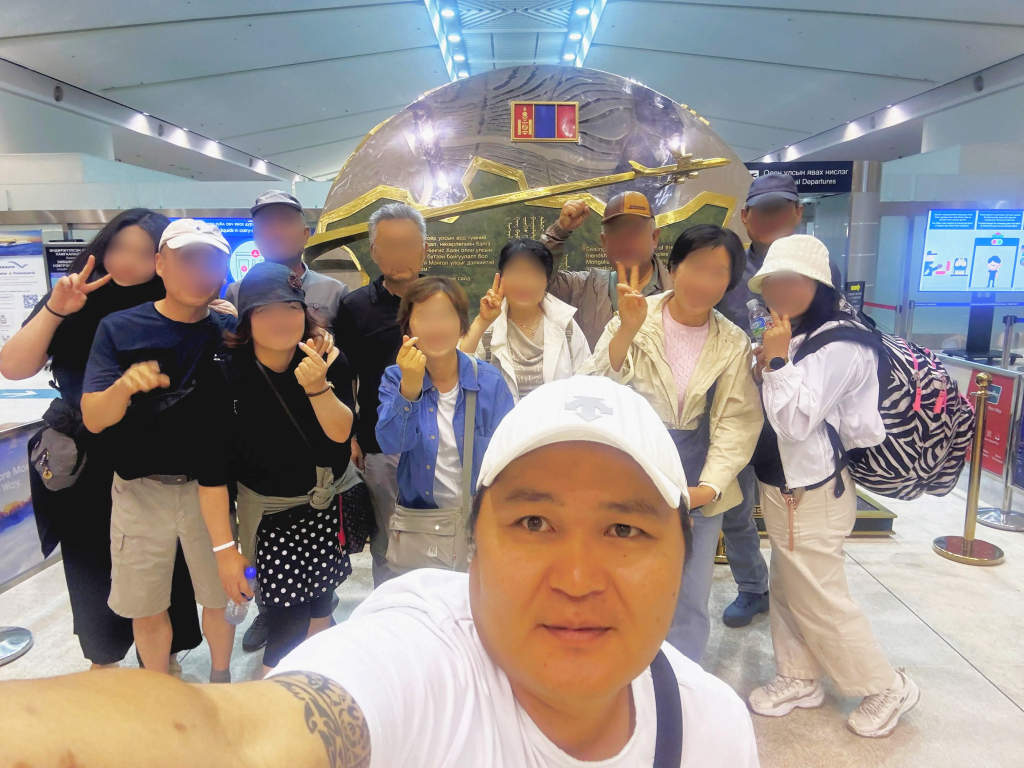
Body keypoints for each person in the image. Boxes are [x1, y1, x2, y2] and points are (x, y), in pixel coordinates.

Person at [0, 376, 760, 768]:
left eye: (625, 529)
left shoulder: (713, 727)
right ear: (474, 546)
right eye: (534, 523)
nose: (577, 576)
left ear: (684, 552)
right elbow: (236, 743)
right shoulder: (425, 657)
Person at [0, 210, 205, 672]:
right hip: (84, 453)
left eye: (143, 252)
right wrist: (56, 309)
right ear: (101, 246)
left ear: (163, 259)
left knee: (164, 561)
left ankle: (163, 661)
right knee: (91, 559)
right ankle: (103, 660)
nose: (128, 260)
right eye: (118, 247)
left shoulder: (174, 302)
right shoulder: (75, 294)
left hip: (153, 454)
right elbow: (13, 366)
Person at [747, 234, 919, 738]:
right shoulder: (793, 331)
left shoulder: (843, 343)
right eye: (772, 281)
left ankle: (886, 686)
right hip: (782, 485)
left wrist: (776, 362)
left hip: (812, 490)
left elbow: (796, 423)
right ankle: (799, 676)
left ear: (819, 284)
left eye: (792, 280)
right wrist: (768, 358)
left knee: (821, 597)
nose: (780, 290)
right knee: (789, 588)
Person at [581, 224, 762, 662]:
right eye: (696, 267)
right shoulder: (635, 316)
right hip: (633, 480)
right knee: (626, 588)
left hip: (698, 485)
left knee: (689, 599)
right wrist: (626, 331)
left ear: (730, 282)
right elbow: (591, 391)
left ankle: (682, 685)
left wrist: (710, 488)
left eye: (718, 273)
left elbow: (737, 422)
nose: (704, 282)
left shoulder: (733, 341)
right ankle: (625, 676)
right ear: (675, 267)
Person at [79, 219, 237, 681]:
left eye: (212, 261)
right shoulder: (119, 328)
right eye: (188, 259)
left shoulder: (230, 330)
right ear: (161, 264)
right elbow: (93, 417)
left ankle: (222, 681)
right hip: (139, 490)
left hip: (213, 491)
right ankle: (158, 689)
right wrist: (126, 386)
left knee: (221, 594)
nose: (200, 272)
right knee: (145, 603)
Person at [198, 262, 365, 676]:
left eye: (290, 308)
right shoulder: (225, 374)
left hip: (324, 509)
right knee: (285, 626)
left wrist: (317, 387)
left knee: (322, 604)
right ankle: (270, 699)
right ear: (246, 318)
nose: (280, 319)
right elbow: (213, 476)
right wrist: (225, 553)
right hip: (270, 521)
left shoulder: (327, 360)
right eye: (264, 310)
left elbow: (341, 435)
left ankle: (315, 684)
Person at [713, 173, 808, 630]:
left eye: (780, 209)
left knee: (799, 514)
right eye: (762, 211)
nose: (772, 219)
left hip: (798, 411)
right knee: (735, 509)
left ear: (798, 213)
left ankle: (802, 597)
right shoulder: (730, 267)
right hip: (736, 408)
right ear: (746, 217)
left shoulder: (817, 269)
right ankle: (753, 587)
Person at [375, 276, 515, 572]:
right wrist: (410, 388)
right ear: (408, 327)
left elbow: (509, 458)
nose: (435, 327)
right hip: (422, 526)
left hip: (479, 526)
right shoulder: (395, 377)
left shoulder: (489, 382)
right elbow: (391, 443)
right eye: (425, 316)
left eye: (445, 315)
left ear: (462, 324)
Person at [334, 202, 427, 587]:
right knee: (388, 543)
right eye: (389, 245)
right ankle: (390, 611)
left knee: (441, 538)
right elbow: (345, 377)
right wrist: (351, 437)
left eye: (408, 244)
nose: (399, 254)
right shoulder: (355, 307)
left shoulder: (440, 298)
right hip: (380, 445)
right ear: (374, 252)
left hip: (438, 442)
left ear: (423, 248)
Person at [459, 238, 590, 402]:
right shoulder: (489, 328)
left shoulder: (566, 324)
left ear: (546, 280)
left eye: (534, 274)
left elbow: (587, 381)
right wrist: (482, 321)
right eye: (516, 272)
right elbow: (458, 370)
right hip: (503, 419)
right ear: (501, 277)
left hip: (556, 417)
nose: (524, 282)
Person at [542, 191, 671, 349]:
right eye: (616, 233)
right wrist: (558, 232)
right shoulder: (582, 288)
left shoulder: (678, 292)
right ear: (604, 242)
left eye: (635, 232)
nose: (626, 241)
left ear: (654, 238)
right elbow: (536, 279)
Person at [225, 191, 348, 333]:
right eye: (266, 224)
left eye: (286, 222)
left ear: (305, 234)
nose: (277, 233)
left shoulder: (334, 291)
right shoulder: (236, 292)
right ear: (256, 236)